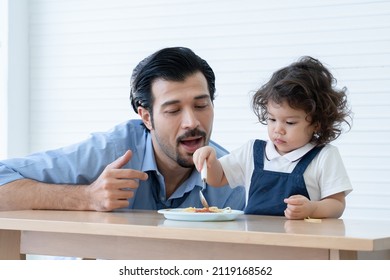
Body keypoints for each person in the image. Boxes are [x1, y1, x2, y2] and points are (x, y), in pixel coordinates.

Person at [0, 46, 245, 211]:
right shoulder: (110, 151)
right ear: (146, 117)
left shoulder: (232, 178)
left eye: (201, 105)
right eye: (173, 110)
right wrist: (86, 197)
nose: (192, 122)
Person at [193, 56, 353, 219]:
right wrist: (210, 161)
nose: (278, 129)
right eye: (272, 119)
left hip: (301, 241)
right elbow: (218, 178)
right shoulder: (252, 151)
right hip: (254, 241)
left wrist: (312, 209)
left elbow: (337, 204)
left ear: (317, 123)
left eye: (290, 122)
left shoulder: (324, 156)